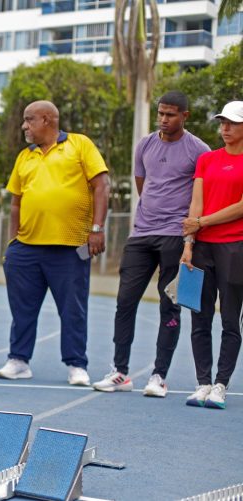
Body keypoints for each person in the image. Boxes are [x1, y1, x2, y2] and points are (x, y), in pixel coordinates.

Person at [93, 92, 209, 396]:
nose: (163, 119)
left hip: (175, 235)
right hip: (142, 234)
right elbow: (143, 185)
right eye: (160, 113)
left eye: (170, 114)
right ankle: (120, 372)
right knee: (124, 302)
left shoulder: (199, 150)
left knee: (170, 306)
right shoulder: (144, 144)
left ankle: (159, 376)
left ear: (185, 115)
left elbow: (201, 196)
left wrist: (189, 236)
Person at [0, 100, 110, 386]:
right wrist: (12, 242)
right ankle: (19, 360)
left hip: (70, 246)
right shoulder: (25, 156)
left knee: (73, 308)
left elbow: (102, 185)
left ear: (47, 120)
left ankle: (76, 365)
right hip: (26, 247)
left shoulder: (79, 144)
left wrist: (97, 228)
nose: (24, 126)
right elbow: (15, 203)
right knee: (22, 308)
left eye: (29, 120)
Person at [181, 100, 243, 410]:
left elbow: (241, 206)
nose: (225, 128)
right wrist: (189, 243)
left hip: (235, 247)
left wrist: (202, 222)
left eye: (232, 122)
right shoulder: (207, 160)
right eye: (222, 122)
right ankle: (203, 383)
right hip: (202, 247)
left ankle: (221, 385)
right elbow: (196, 202)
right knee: (199, 318)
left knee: (231, 319)